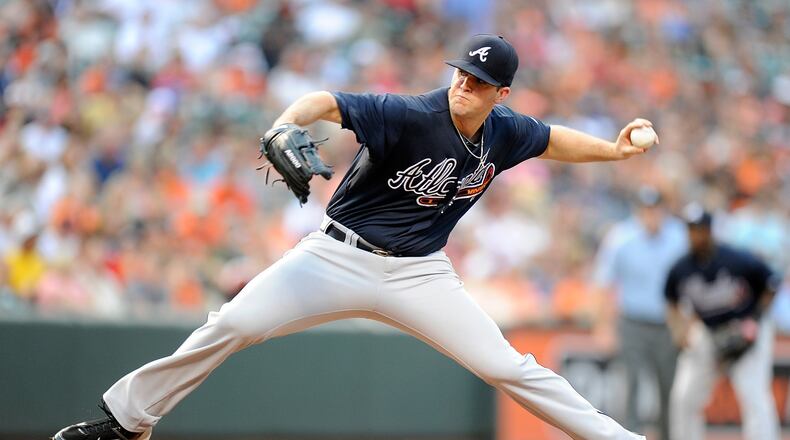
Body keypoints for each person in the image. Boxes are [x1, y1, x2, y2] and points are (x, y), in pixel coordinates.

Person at [53, 34, 652, 440]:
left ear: (501, 93)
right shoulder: (412, 114)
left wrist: (614, 151)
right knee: (232, 324)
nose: (464, 85)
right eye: (461, 73)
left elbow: (552, 139)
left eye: (478, 81)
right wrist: (285, 124)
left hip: (420, 272)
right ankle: (125, 420)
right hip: (335, 255)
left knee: (507, 365)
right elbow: (326, 102)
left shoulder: (507, 131)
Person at [665, 204, 780, 440]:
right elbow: (671, 299)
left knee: (754, 395)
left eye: (699, 229)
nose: (695, 235)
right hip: (710, 332)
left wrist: (755, 318)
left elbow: (772, 281)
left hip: (746, 331)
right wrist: (680, 331)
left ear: (709, 231)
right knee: (685, 397)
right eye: (690, 230)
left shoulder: (734, 258)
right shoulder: (681, 268)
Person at [591, 186, 687, 440]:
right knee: (630, 385)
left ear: (663, 211)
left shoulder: (678, 237)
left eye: (655, 210)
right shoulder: (621, 237)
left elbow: (690, 281)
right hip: (632, 321)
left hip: (667, 324)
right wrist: (604, 325)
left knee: (669, 387)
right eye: (646, 211)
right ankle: (629, 436)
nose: (651, 216)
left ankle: (669, 436)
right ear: (638, 212)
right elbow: (604, 283)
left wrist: (686, 324)